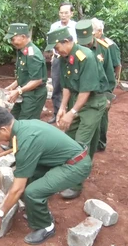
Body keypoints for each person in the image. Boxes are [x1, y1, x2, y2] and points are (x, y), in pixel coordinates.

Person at [0, 106, 91, 245]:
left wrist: (0, 213)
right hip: (64, 159)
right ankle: (37, 212)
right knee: (25, 177)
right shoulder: (22, 126)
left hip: (75, 165)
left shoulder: (26, 141)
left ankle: (46, 226)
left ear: (3, 129)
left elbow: (17, 189)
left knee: (32, 192)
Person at [45, 26, 107, 199]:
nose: (55, 51)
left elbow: (86, 91)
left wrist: (71, 112)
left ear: (66, 41)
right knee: (72, 138)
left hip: (92, 103)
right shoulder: (65, 57)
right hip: (77, 101)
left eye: (56, 47)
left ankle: (76, 183)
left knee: (79, 143)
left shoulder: (85, 56)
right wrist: (63, 108)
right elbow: (67, 85)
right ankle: (84, 166)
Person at [1, 23, 48, 150]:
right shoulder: (21, 51)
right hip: (25, 92)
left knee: (26, 123)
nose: (11, 42)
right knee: (14, 119)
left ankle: (24, 150)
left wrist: (18, 91)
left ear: (23, 37)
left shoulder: (32, 54)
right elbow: (24, 75)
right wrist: (12, 86)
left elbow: (37, 80)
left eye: (13, 38)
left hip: (34, 94)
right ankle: (13, 148)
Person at [76, 19, 115, 152]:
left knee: (101, 121)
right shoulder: (76, 48)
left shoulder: (103, 48)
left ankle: (100, 143)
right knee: (83, 122)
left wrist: (108, 96)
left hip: (100, 92)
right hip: (82, 92)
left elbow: (109, 73)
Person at [92, 17, 121, 151]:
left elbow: (116, 65)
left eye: (92, 31)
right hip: (93, 86)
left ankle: (100, 143)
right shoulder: (90, 44)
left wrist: (115, 84)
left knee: (102, 115)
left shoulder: (108, 45)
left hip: (105, 86)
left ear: (99, 31)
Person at [47, 2, 77, 124]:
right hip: (58, 59)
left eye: (66, 13)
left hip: (73, 60)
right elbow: (50, 43)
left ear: (71, 13)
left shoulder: (75, 26)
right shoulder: (54, 26)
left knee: (72, 85)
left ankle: (72, 113)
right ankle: (56, 113)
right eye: (61, 13)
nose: (63, 15)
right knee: (57, 86)